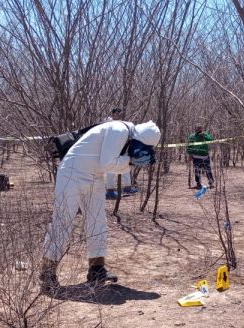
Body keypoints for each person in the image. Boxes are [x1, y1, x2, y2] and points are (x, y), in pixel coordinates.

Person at [40, 120, 160, 287]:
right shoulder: (118, 130)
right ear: (136, 138)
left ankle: (97, 269)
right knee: (63, 220)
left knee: (97, 221)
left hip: (94, 176)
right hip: (72, 173)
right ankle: (47, 272)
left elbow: (110, 165)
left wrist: (130, 161)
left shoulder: (127, 136)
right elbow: (108, 163)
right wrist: (131, 161)